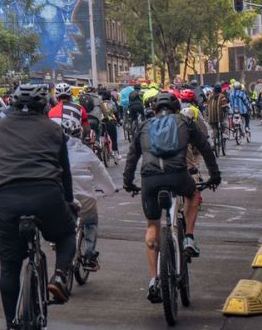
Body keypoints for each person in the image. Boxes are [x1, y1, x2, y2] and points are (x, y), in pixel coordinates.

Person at [0, 84, 76, 330]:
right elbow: (64, 172)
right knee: (66, 233)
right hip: (46, 195)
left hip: (6, 200)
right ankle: (59, 276)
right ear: (43, 106)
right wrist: (68, 201)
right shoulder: (53, 129)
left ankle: (12, 329)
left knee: (9, 266)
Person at [122, 92, 220, 301]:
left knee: (152, 226)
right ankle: (190, 239)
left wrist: (128, 182)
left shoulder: (144, 125)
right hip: (178, 175)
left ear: (154, 109)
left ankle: (153, 279)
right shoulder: (184, 121)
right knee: (193, 195)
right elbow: (205, 148)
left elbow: (132, 156)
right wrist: (214, 175)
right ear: (176, 109)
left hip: (150, 179)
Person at [55, 112, 116, 271]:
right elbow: (102, 175)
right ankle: (89, 254)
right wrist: (110, 191)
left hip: (61, 197)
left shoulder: (54, 152)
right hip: (86, 198)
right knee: (91, 222)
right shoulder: (87, 152)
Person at [99, 88, 121, 161]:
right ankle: (116, 154)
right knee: (113, 138)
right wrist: (118, 120)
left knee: (101, 136)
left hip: (101, 122)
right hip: (110, 122)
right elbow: (116, 113)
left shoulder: (100, 103)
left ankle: (101, 147)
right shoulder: (112, 103)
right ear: (110, 96)